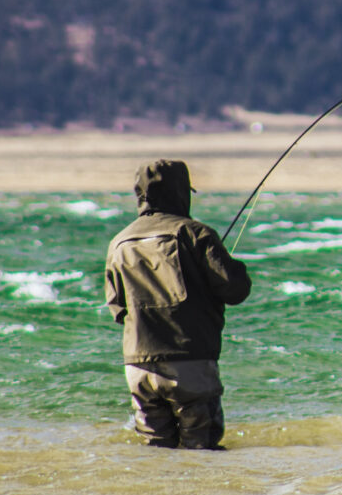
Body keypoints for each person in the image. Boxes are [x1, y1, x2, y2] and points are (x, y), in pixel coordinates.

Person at [105, 159, 251, 449]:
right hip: (190, 364)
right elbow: (235, 290)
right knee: (203, 451)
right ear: (180, 192)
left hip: (137, 368)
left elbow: (117, 309)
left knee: (157, 452)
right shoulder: (196, 234)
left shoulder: (118, 242)